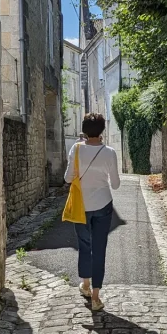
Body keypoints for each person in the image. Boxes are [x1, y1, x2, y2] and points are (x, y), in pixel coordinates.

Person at [64, 112, 120, 312]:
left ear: (85, 130)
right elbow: (116, 184)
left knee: (84, 245)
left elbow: (68, 178)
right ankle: (96, 297)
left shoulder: (76, 149)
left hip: (81, 206)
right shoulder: (110, 152)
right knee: (99, 249)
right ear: (102, 130)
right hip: (103, 204)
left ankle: (85, 284)